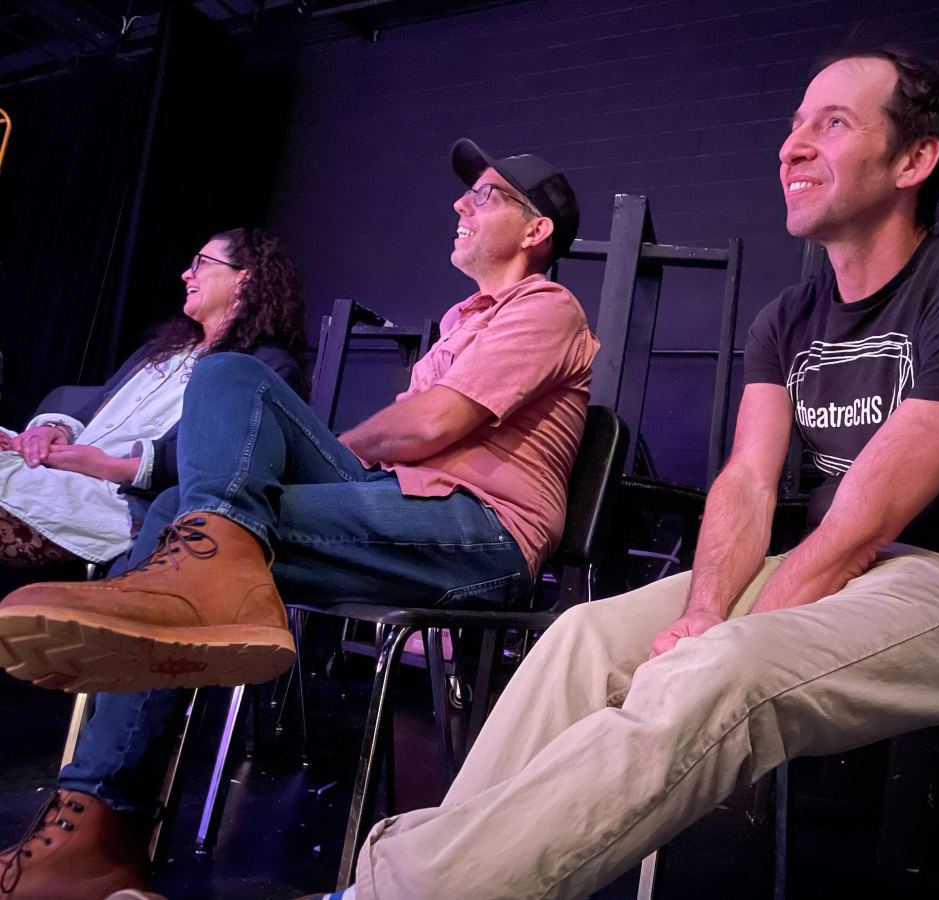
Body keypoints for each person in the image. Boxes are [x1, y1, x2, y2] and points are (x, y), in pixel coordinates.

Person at [314, 47, 939, 899]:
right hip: (839, 569)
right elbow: (747, 480)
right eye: (795, 123)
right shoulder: (789, 317)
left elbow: (868, 517)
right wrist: (703, 610)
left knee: (715, 669)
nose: (792, 146)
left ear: (914, 161)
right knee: (579, 641)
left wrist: (723, 635)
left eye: (833, 123)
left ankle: (385, 894)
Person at [0, 140, 595, 900]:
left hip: (478, 536)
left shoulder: (547, 307)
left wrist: (326, 447)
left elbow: (431, 425)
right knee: (219, 399)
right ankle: (95, 831)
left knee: (233, 390)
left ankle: (97, 827)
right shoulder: (456, 321)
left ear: (535, 228)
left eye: (482, 196)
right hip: (399, 507)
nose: (458, 206)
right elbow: (407, 443)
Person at [0, 227, 308, 568]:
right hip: (64, 470)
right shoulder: (164, 348)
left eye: (201, 262)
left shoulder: (261, 367)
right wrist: (52, 429)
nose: (186, 273)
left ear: (243, 279)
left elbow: (217, 461)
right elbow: (94, 407)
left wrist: (107, 466)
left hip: (118, 500)